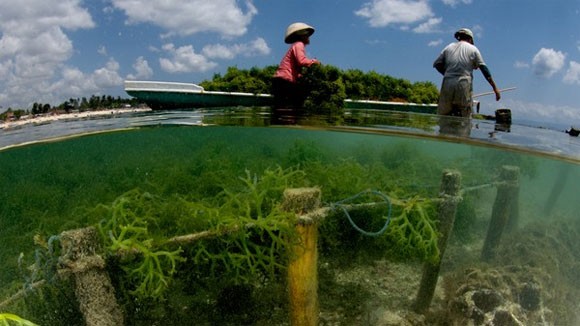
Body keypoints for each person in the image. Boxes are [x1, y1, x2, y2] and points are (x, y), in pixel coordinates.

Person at [433, 28, 500, 118]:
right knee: (464, 119)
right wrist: (495, 89)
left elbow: (437, 64)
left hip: (447, 83)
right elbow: (484, 68)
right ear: (470, 39)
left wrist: (447, 74)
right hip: (463, 84)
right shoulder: (473, 49)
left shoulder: (448, 47)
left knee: (443, 116)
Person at [272, 22, 320, 111]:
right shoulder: (299, 44)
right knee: (286, 109)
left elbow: (296, 67)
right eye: (307, 35)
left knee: (283, 110)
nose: (308, 37)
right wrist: (314, 62)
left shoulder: (296, 45)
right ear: (302, 36)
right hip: (284, 81)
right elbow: (301, 61)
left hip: (281, 81)